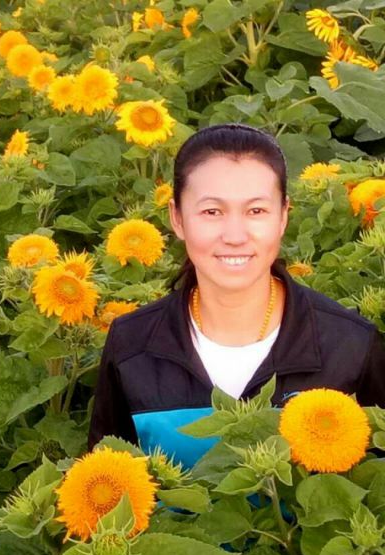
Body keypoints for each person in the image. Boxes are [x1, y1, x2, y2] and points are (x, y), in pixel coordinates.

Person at [88, 123, 385, 466]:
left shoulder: (350, 345)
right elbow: (108, 475)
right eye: (211, 212)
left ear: (283, 217)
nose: (234, 235)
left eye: (256, 211)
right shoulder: (132, 345)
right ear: (177, 218)